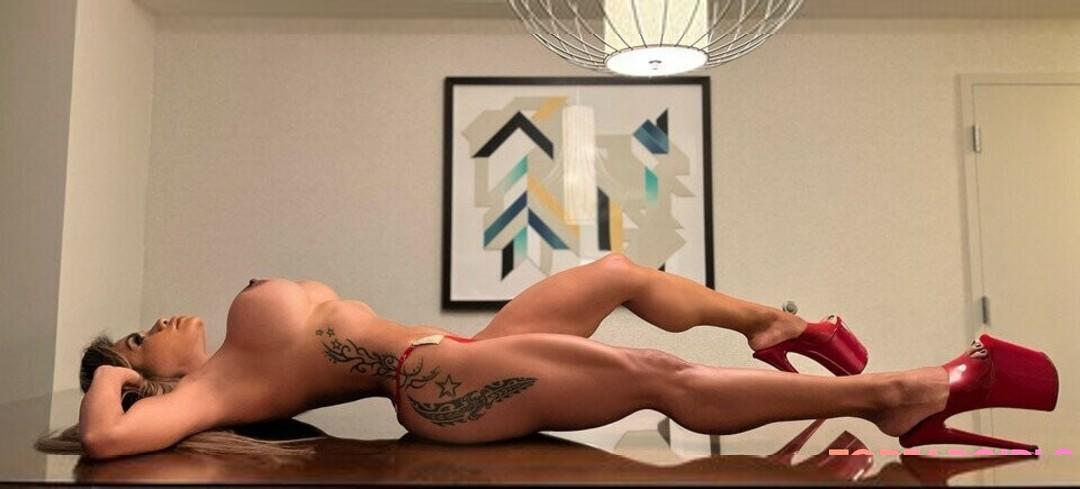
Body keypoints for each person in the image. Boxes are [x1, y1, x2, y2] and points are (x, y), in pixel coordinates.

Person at [39, 253, 1058, 460]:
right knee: (653, 377)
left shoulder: (222, 356)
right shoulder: (211, 387)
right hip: (435, 387)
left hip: (461, 356)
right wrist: (111, 377)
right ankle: (895, 394)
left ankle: (767, 323)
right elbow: (110, 439)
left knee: (617, 272)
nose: (159, 322)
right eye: (138, 337)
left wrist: (126, 367)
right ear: (152, 372)